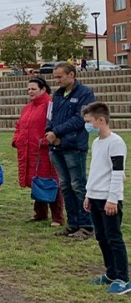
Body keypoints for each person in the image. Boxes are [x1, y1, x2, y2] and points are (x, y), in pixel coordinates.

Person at [81, 102, 129, 295]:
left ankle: (123, 278)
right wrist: (89, 194)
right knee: (101, 236)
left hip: (109, 199)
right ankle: (111, 273)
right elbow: (96, 170)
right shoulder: (96, 143)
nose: (87, 125)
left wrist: (112, 199)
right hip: (95, 197)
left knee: (113, 238)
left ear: (101, 120)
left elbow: (117, 173)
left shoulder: (116, 143)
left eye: (89, 121)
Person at [46, 62, 96, 239]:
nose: (57, 80)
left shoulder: (85, 94)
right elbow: (50, 117)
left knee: (78, 186)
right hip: (56, 147)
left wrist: (57, 133)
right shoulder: (57, 95)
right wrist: (50, 133)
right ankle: (73, 224)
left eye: (60, 77)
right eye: (55, 77)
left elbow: (80, 119)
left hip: (74, 147)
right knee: (66, 187)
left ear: (71, 75)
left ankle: (86, 225)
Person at [11, 77, 64, 226]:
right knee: (36, 181)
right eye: (28, 89)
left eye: (33, 89)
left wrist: (47, 141)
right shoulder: (27, 108)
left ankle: (57, 217)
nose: (30, 92)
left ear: (43, 89)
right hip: (30, 151)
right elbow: (19, 126)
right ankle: (40, 213)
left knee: (51, 181)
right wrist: (17, 139)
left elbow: (56, 126)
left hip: (45, 152)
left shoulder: (51, 106)